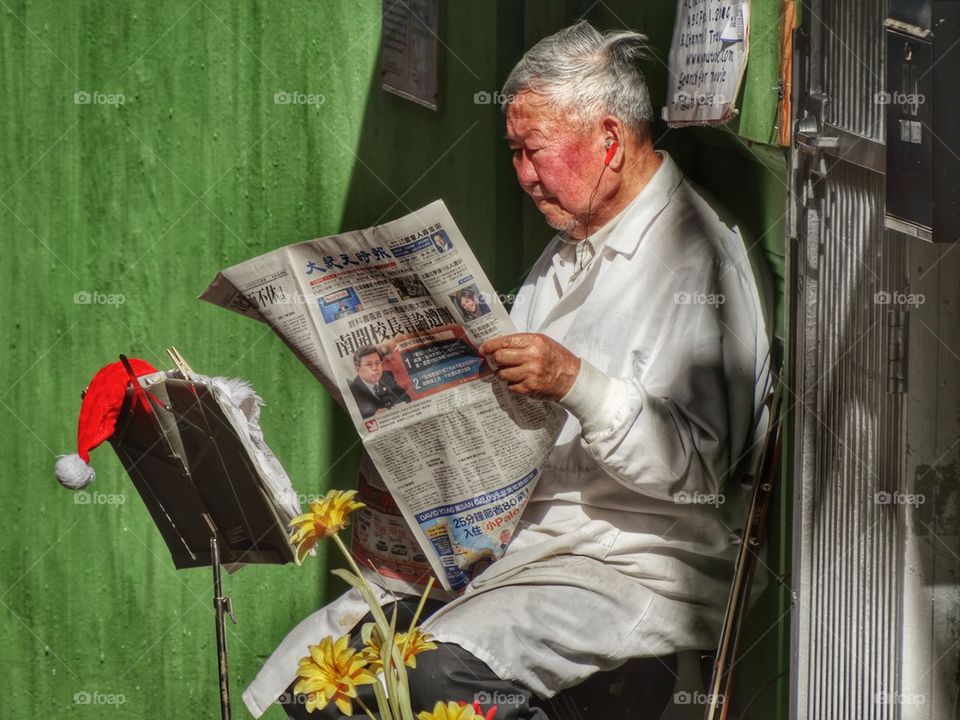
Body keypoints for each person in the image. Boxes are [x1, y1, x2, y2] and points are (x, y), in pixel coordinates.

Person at [276, 21, 770, 720]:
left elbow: (697, 469)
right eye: (514, 153)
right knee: (322, 680)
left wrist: (576, 381)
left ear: (608, 139)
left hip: (635, 566)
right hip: (526, 550)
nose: (523, 176)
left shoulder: (697, 258)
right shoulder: (570, 246)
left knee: (431, 679)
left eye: (530, 151)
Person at [348, 346, 410, 419]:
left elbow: (406, 398)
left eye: (377, 363)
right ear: (358, 369)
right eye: (369, 364)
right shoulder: (353, 391)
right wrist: (374, 416)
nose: (375, 368)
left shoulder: (386, 375)